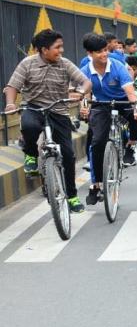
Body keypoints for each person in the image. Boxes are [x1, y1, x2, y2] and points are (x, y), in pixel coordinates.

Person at [3, 29, 91, 213]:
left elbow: (86, 82)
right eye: (57, 47)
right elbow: (12, 86)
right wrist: (11, 104)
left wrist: (80, 93)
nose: (61, 51)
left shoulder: (65, 64)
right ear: (44, 49)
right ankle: (30, 155)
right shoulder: (27, 64)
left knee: (68, 155)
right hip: (33, 107)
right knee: (28, 126)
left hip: (59, 110)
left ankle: (72, 196)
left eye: (62, 47)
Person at [78, 33, 137, 204]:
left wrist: (136, 106)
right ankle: (96, 184)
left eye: (105, 50)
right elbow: (84, 95)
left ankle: (130, 146)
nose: (104, 54)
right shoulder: (84, 71)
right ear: (89, 54)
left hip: (122, 100)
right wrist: (84, 108)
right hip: (101, 104)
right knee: (97, 142)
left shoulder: (118, 66)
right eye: (99, 52)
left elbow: (130, 92)